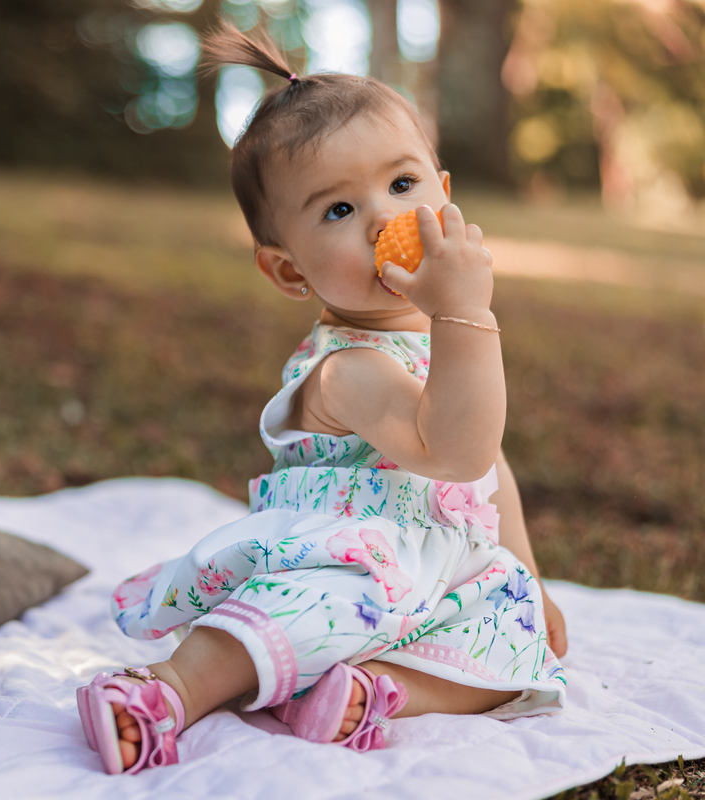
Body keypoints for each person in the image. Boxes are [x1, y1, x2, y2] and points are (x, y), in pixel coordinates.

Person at [75, 23, 570, 775]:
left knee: (510, 646)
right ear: (287, 271)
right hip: (345, 561)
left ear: (444, 190)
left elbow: (489, 472)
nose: (383, 219)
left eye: (403, 185)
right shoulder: (351, 370)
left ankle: (376, 692)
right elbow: (456, 448)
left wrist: (527, 579)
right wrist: (467, 312)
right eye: (338, 210)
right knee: (301, 611)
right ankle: (165, 692)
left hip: (437, 568)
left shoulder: (436, 343)